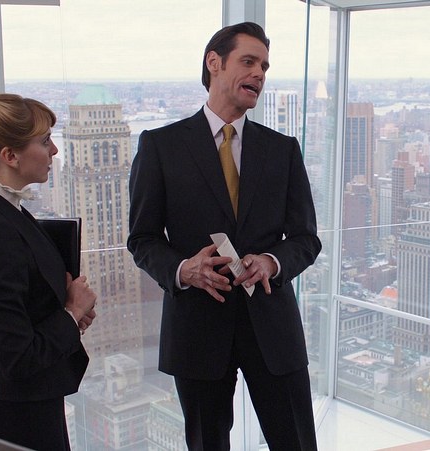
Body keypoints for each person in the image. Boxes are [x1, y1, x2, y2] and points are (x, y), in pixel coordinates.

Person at [128, 22, 321, 450]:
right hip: (197, 330)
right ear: (213, 63)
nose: (259, 74)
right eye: (248, 61)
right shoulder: (160, 146)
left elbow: (306, 239)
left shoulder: (283, 149)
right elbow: (142, 239)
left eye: (264, 67)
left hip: (273, 328)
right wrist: (183, 270)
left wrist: (272, 262)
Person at [0, 89, 97, 450]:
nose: (54, 151)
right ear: (10, 156)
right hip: (14, 420)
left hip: (28, 408)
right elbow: (17, 357)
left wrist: (67, 314)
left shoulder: (2, 211)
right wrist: (71, 312)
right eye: (44, 141)